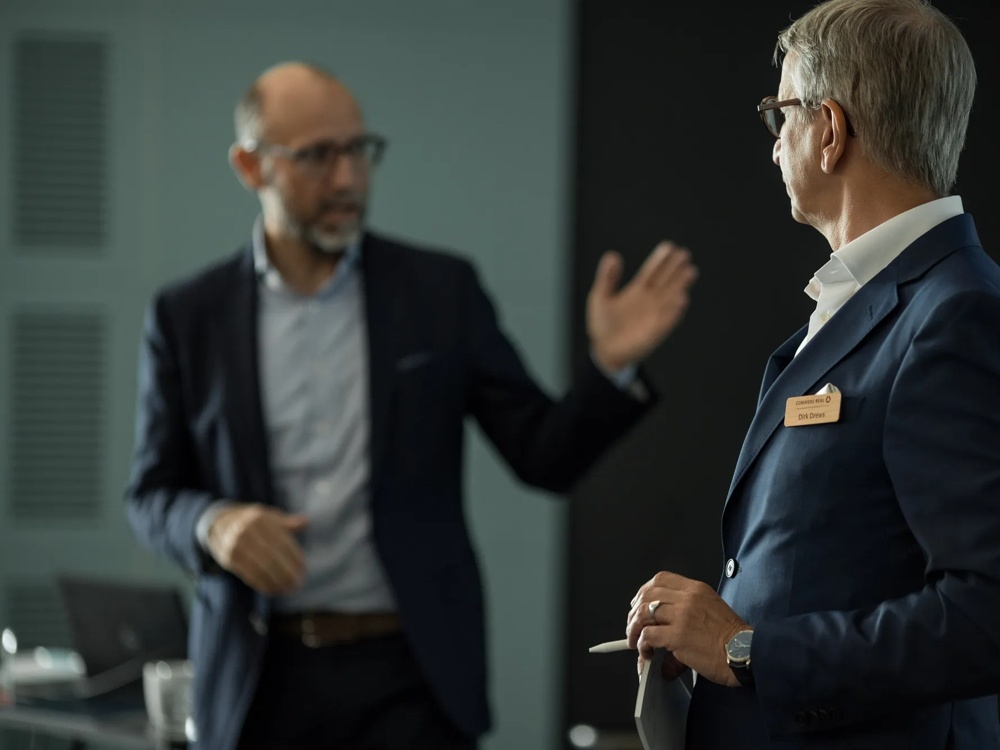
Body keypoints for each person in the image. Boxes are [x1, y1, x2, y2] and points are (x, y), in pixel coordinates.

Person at [124, 62, 696, 750]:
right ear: (252, 167)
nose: (347, 179)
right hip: (256, 676)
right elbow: (151, 495)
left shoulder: (439, 293)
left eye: (359, 151)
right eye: (317, 156)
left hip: (410, 677)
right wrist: (212, 525)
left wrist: (609, 367)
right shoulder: (188, 316)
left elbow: (544, 456)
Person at [624, 0, 1000, 747]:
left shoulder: (955, 312)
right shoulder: (871, 303)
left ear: (828, 131)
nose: (773, 147)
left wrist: (745, 650)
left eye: (780, 115)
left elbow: (987, 612)